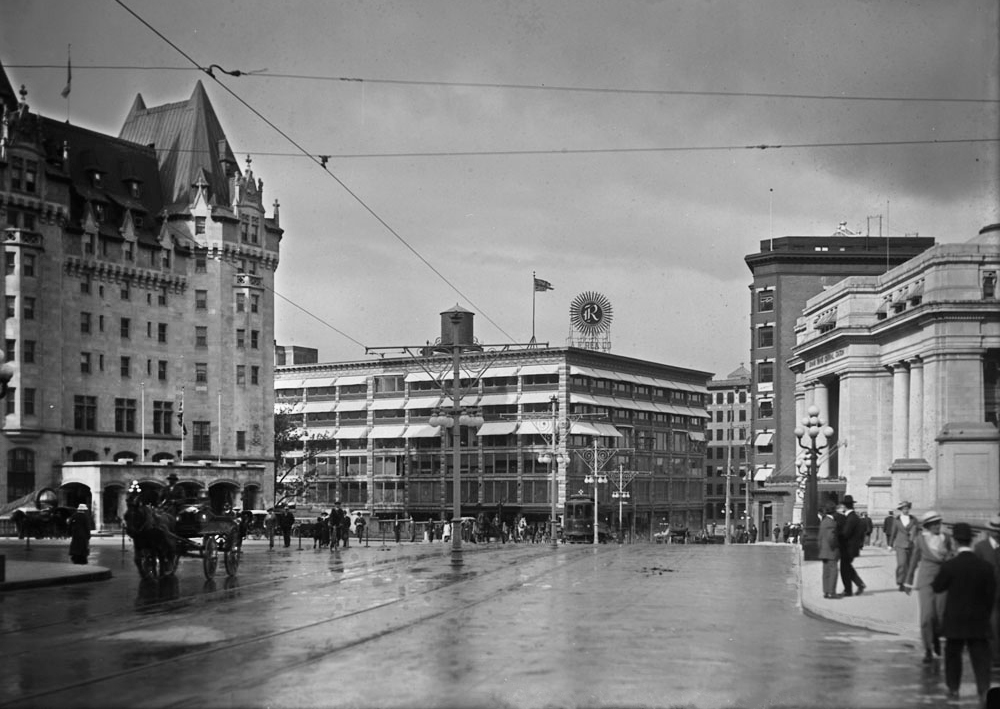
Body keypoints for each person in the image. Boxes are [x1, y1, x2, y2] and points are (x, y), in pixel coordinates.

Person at [931, 522, 996, 705]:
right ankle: (983, 690)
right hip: (979, 619)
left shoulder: (951, 565)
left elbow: (938, 587)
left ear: (955, 541)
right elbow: (991, 594)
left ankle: (953, 689)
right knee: (981, 657)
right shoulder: (985, 566)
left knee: (953, 656)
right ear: (972, 539)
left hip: (955, 619)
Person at [903, 510, 953, 663]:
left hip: (942, 580)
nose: (938, 526)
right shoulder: (920, 539)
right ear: (928, 526)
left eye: (939, 523)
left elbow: (952, 559)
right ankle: (928, 649)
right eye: (934, 524)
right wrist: (908, 580)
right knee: (926, 616)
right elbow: (913, 560)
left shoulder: (946, 538)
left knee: (940, 614)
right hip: (925, 581)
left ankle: (936, 638)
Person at [973, 514, 1000, 666]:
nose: (997, 534)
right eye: (995, 531)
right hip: (987, 593)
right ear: (989, 531)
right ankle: (995, 657)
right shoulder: (981, 548)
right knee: (992, 623)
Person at [837, 495, 866, 596]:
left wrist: (836, 535)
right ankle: (859, 584)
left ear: (845, 507)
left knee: (844, 569)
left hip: (848, 548)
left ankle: (848, 590)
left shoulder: (850, 518)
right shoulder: (854, 517)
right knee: (847, 567)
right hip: (852, 547)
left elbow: (845, 533)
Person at [890, 501, 918, 591]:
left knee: (908, 565)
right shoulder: (897, 520)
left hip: (910, 544)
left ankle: (906, 582)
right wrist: (890, 544)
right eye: (904, 508)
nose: (906, 510)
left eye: (907, 508)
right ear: (901, 510)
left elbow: (917, 530)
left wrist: (914, 535)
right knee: (901, 563)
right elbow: (893, 532)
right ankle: (900, 582)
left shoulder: (913, 519)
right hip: (900, 544)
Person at [818, 502, 841, 599]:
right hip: (831, 551)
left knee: (826, 572)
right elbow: (831, 538)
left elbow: (820, 537)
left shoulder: (823, 521)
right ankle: (832, 592)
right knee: (833, 572)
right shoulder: (831, 522)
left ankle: (826, 591)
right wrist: (836, 546)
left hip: (824, 551)